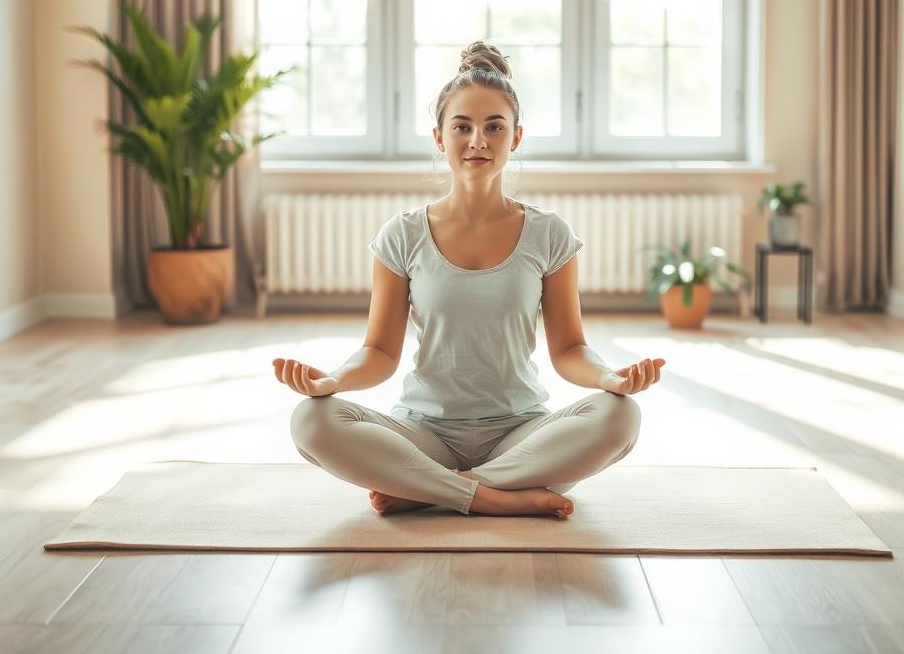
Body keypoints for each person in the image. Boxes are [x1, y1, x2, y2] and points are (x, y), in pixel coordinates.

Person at [273, 41, 665, 519]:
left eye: (494, 127)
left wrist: (609, 378)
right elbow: (379, 352)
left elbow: (569, 349)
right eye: (462, 127)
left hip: (519, 436)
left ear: (516, 137)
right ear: (439, 138)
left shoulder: (549, 234)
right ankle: (496, 497)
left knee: (620, 416)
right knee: (311, 421)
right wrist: (332, 380)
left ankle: (433, 491)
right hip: (424, 435)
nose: (478, 140)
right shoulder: (402, 234)